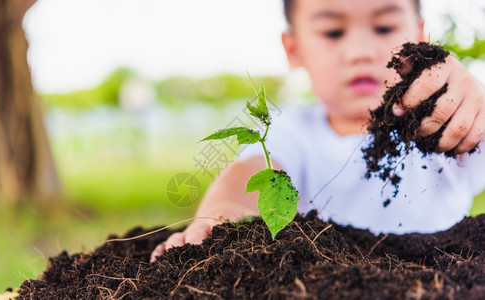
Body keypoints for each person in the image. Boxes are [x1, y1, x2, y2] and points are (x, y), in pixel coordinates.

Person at [151, 0, 485, 262]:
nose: (360, 52)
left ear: (421, 37)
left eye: (384, 27)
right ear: (294, 49)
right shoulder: (292, 131)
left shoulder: (447, 125)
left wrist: (475, 108)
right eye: (333, 32)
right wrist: (225, 215)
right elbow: (249, 175)